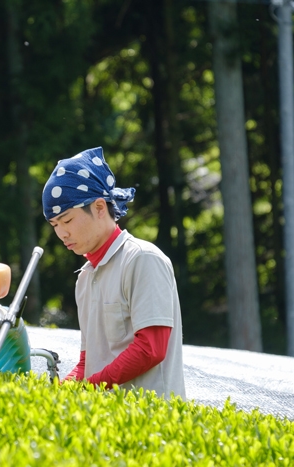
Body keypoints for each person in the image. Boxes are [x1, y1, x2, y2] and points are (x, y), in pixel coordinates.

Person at [42, 147, 186, 398]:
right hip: (106, 423)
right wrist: (64, 390)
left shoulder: (142, 259)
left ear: (99, 207)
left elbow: (151, 348)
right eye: (55, 225)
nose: (61, 233)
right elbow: (89, 362)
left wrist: (88, 387)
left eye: (67, 221)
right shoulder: (85, 278)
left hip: (153, 426)